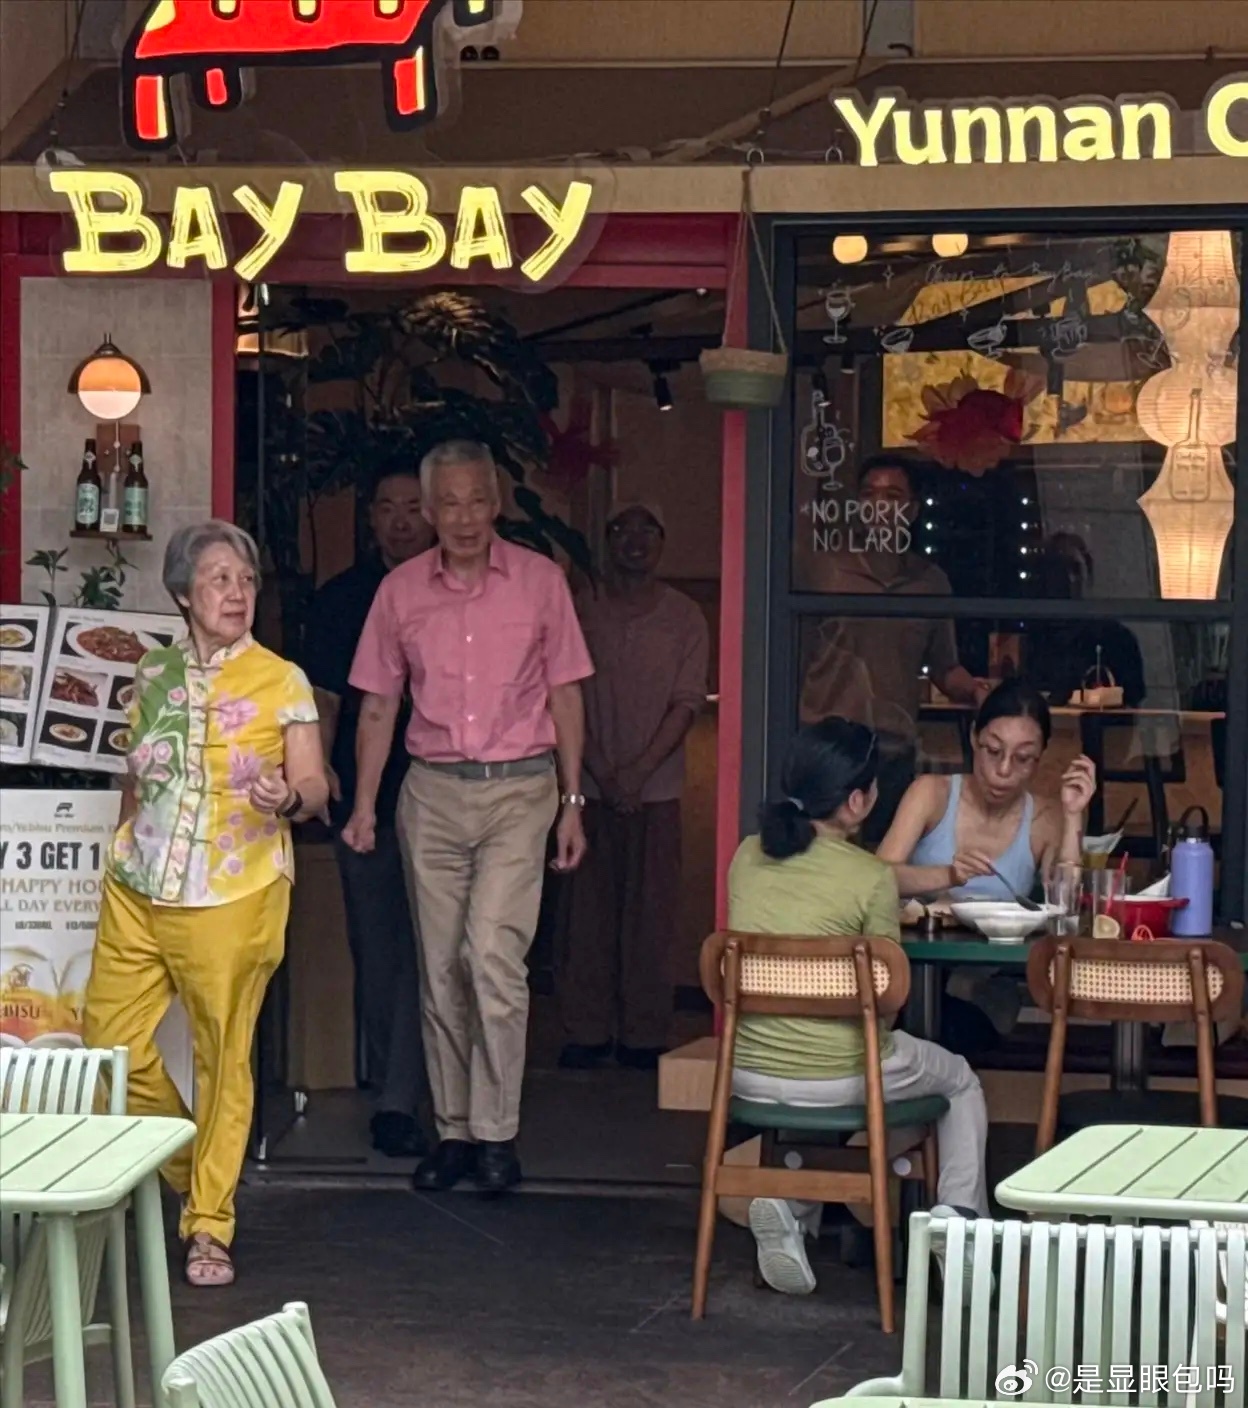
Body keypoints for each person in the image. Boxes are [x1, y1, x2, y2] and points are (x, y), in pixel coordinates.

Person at [343, 440, 593, 1195]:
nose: (462, 517)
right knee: (442, 964)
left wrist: (572, 803)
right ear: (429, 510)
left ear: (496, 503)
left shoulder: (541, 582)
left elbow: (567, 694)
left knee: (491, 955)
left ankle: (497, 1133)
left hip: (520, 789)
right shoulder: (400, 592)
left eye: (475, 500)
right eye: (446, 503)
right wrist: (364, 806)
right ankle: (454, 1131)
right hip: (432, 791)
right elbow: (379, 704)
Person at [83, 520, 328, 1288]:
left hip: (234, 888)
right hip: (139, 884)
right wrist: (122, 842)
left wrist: (289, 797)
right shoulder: (151, 672)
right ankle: (192, 1167)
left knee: (224, 1057)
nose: (237, 592)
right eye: (220, 578)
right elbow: (136, 774)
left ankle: (210, 1226)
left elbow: (315, 785)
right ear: (183, 593)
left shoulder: (281, 679)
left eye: (246, 580)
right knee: (107, 1045)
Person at [726, 718, 989, 1296]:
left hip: (745, 1071)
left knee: (899, 1097)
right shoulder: (870, 878)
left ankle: (795, 1207)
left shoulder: (746, 855)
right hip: (841, 1074)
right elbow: (889, 995)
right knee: (958, 1083)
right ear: (857, 801)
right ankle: (959, 1225)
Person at [303, 469, 436, 1158]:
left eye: (414, 507)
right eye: (387, 508)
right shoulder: (342, 599)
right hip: (365, 799)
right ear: (371, 518)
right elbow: (324, 698)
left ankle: (405, 1099)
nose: (401, 521)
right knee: (379, 950)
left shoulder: (457, 592)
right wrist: (319, 766)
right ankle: (394, 1089)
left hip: (444, 796)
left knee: (431, 952)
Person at [557, 501, 709, 1071]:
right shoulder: (580, 609)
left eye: (649, 529)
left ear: (663, 542)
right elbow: (563, 694)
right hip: (586, 789)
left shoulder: (685, 616)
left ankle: (645, 1033)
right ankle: (586, 1030)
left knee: (653, 915)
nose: (636, 540)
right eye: (623, 528)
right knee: (585, 917)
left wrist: (639, 772)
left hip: (658, 789)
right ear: (607, 539)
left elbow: (687, 702)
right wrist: (600, 769)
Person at [800, 454, 988, 844]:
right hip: (827, 746)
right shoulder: (824, 570)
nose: (878, 505)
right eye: (868, 494)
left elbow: (944, 666)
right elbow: (788, 655)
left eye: (892, 496)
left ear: (913, 510)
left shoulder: (929, 582)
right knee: (820, 861)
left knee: (885, 862)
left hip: (892, 748)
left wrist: (977, 691)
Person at [878, 679, 1097, 901]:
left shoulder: (1044, 818)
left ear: (1040, 756)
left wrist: (1073, 816)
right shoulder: (931, 794)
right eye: (993, 750)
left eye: (1022, 758)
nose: (1004, 769)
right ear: (974, 737)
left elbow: (1064, 904)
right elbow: (876, 879)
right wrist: (949, 875)